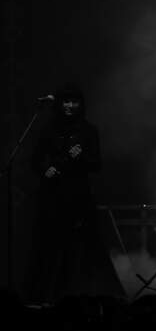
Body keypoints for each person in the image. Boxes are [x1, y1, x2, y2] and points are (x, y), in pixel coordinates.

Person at [27, 83, 123, 303]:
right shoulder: (48, 129)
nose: (70, 106)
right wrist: (45, 169)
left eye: (74, 102)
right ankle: (45, 294)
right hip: (51, 197)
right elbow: (34, 160)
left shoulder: (88, 131)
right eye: (66, 102)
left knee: (78, 249)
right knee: (49, 246)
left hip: (78, 197)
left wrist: (80, 158)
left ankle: (77, 295)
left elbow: (96, 164)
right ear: (59, 104)